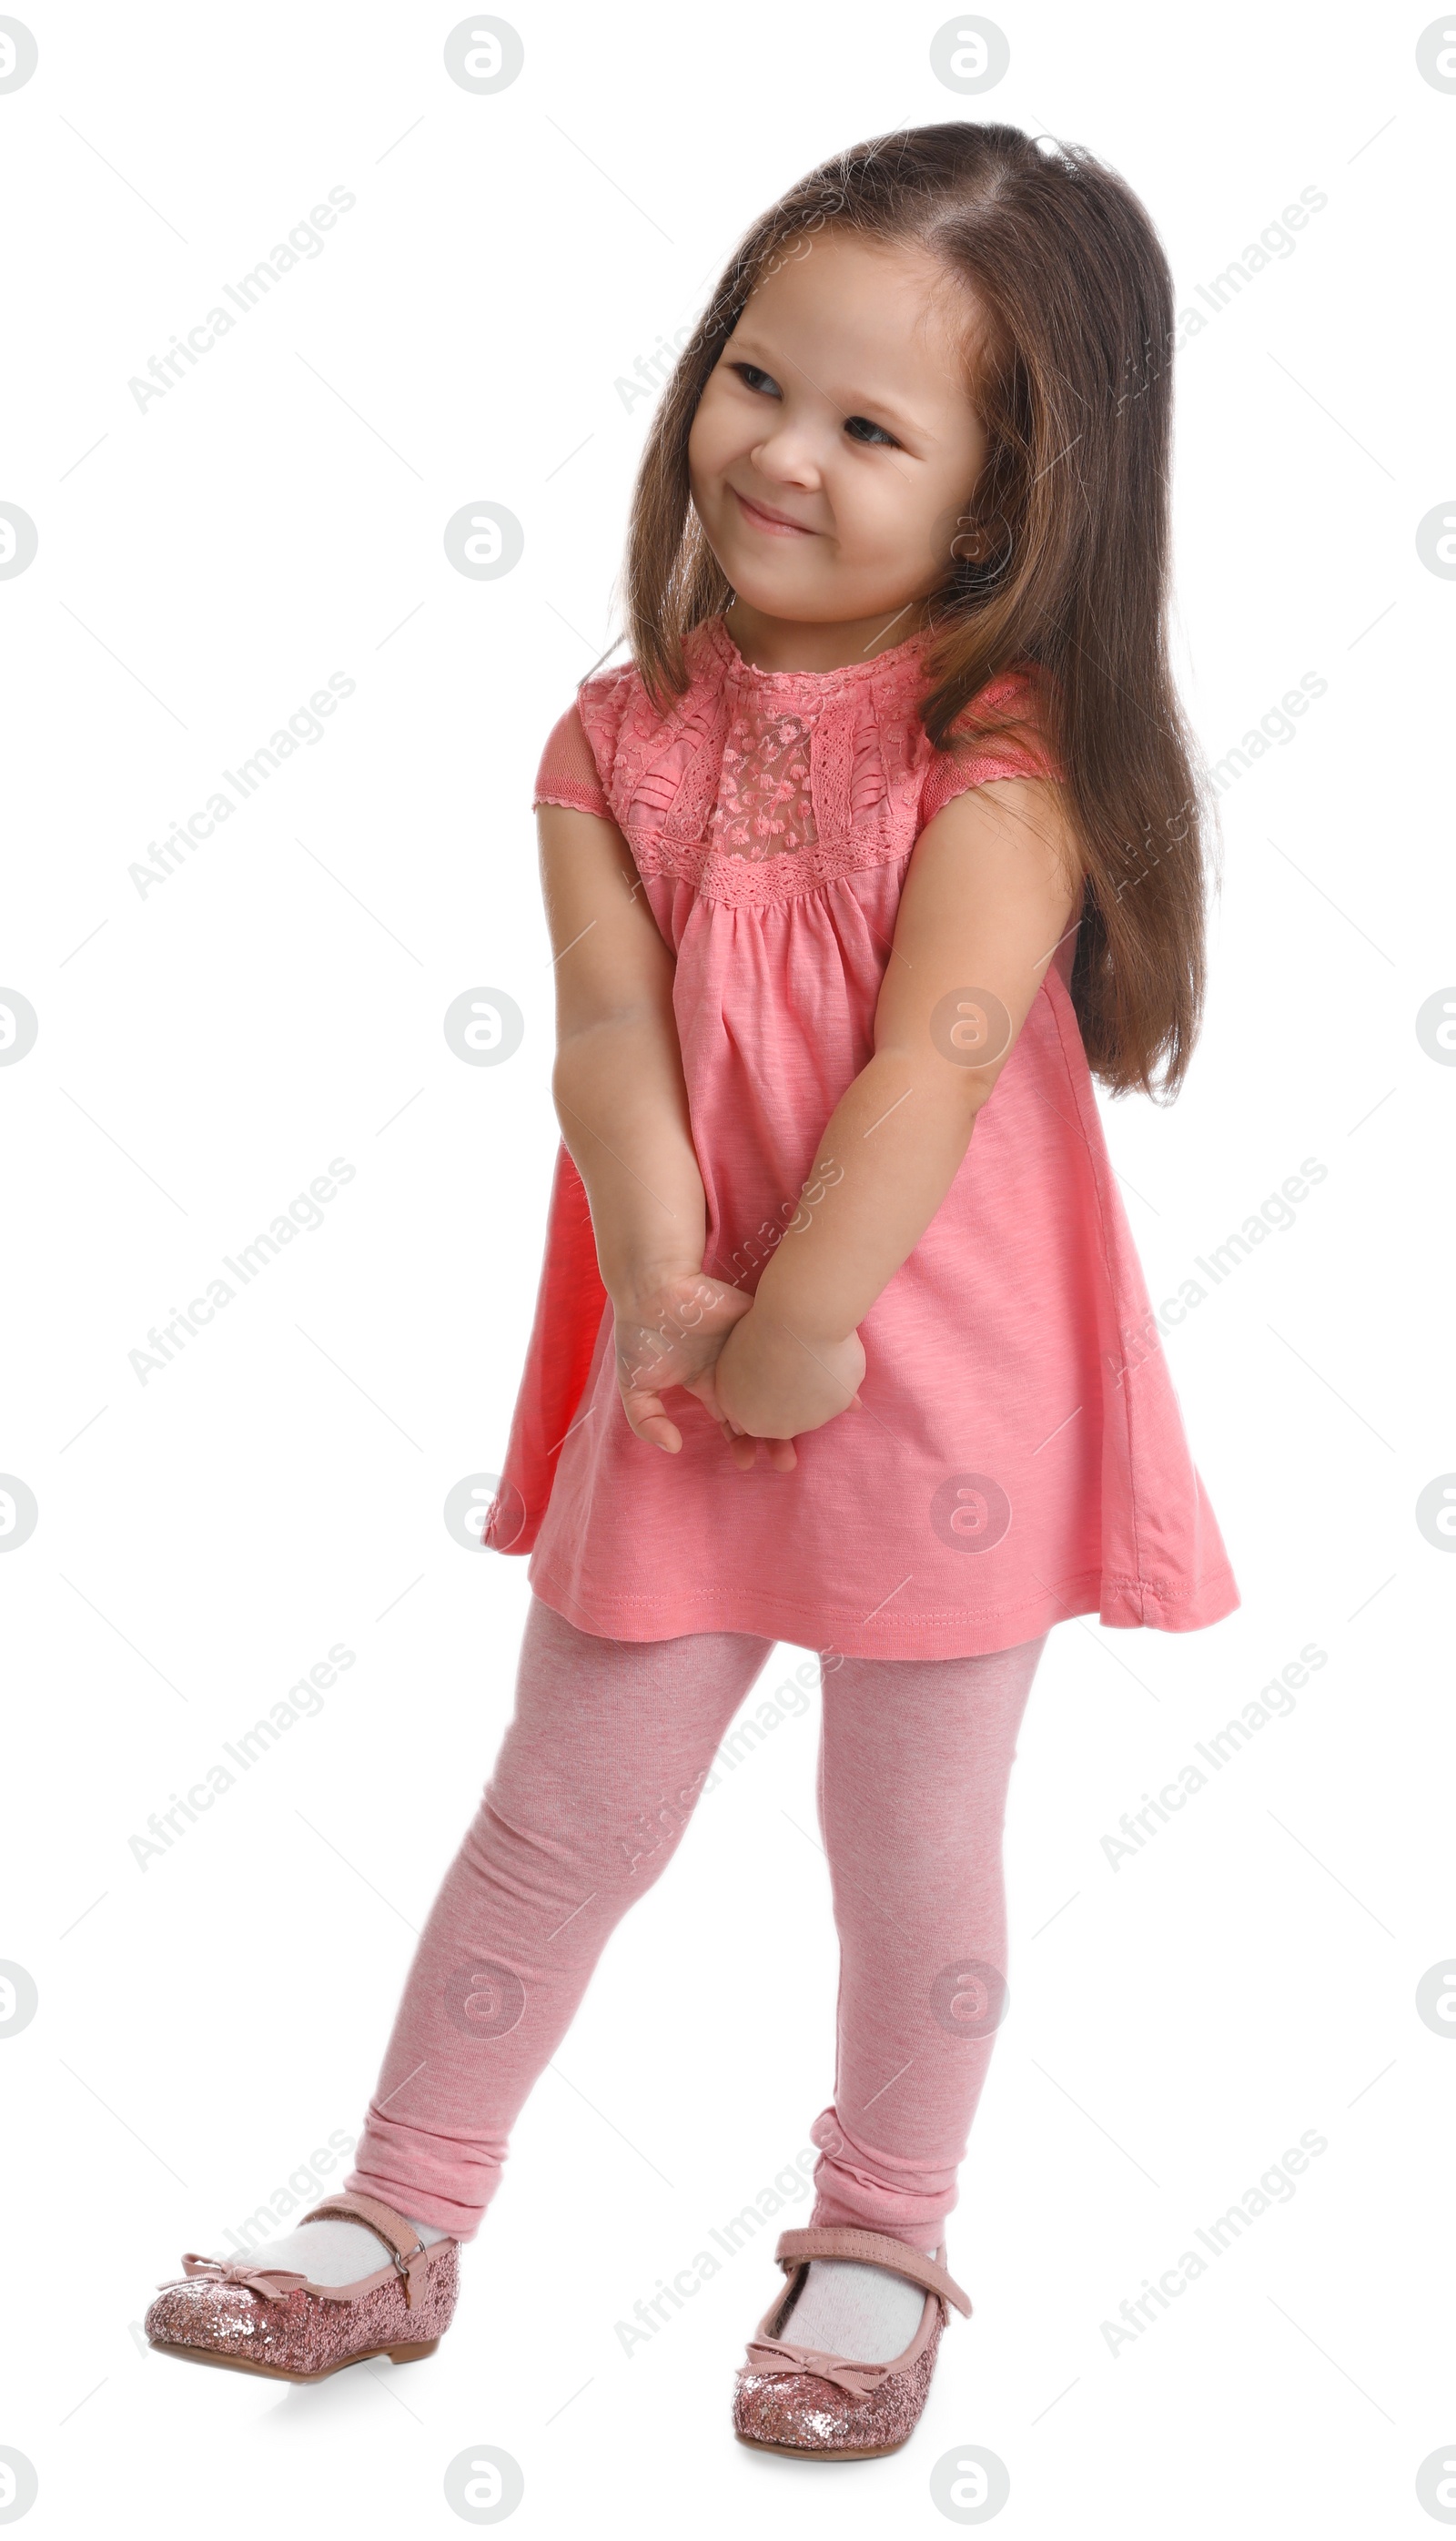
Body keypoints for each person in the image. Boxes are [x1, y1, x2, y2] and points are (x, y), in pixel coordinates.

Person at [146, 120, 1238, 2461]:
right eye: (757, 379)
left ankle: (878, 2234)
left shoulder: (1001, 753)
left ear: (998, 496)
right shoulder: (609, 733)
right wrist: (666, 1279)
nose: (781, 451)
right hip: (680, 1354)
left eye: (869, 426)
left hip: (930, 1377)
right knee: (560, 1802)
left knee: (907, 1838)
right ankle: (398, 2211)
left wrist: (806, 1316)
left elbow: (935, 1067)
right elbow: (609, 1024)